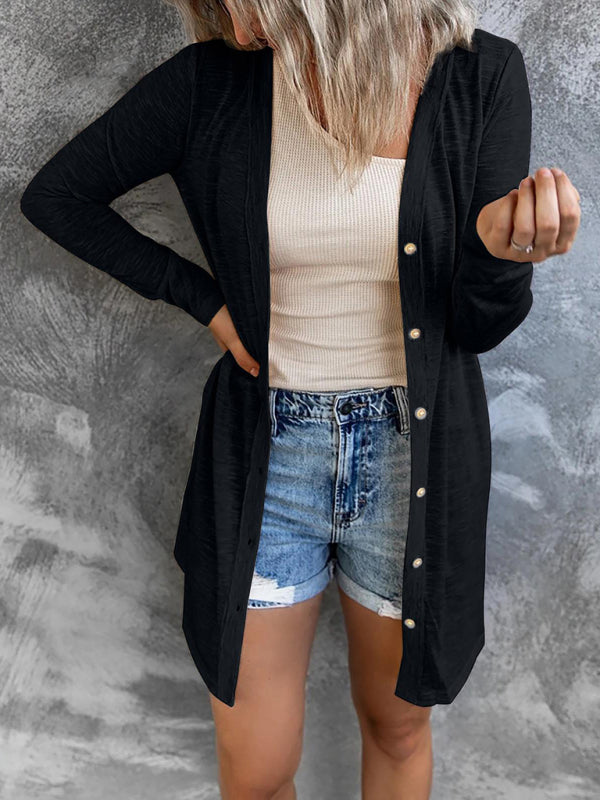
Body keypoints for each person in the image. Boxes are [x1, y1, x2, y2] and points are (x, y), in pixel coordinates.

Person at [20, 1, 581, 798]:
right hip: (269, 455)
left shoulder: (480, 75)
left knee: (396, 727)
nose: (222, 15)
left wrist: (498, 255)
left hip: (410, 462)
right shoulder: (214, 81)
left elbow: (477, 328)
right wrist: (206, 303)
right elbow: (58, 196)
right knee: (257, 771)